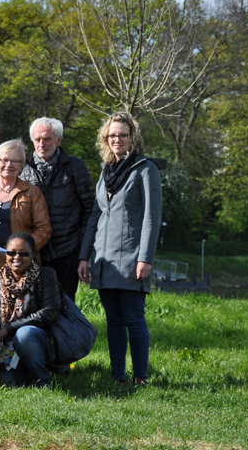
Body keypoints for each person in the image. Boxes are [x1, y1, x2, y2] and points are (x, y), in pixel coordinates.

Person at [78, 112, 162, 387]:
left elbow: (152, 216)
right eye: (112, 135)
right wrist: (84, 256)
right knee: (113, 320)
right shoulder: (105, 171)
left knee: (134, 318)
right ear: (106, 138)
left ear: (132, 138)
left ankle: (140, 377)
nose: (117, 139)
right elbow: (95, 215)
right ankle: (118, 376)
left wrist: (145, 258)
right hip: (104, 260)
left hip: (132, 259)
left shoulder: (146, 169)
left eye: (122, 135)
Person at [20, 118, 95, 299]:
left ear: (58, 140)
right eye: (37, 139)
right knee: (35, 304)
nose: (41, 144)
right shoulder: (24, 169)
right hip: (35, 251)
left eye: (47, 139)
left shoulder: (75, 167)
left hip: (68, 251)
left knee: (64, 305)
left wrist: (82, 251)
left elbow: (90, 210)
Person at [0, 232, 62, 388]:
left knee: (25, 334)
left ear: (32, 255)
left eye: (23, 253)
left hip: (41, 343)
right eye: (11, 253)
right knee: (8, 384)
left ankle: (43, 382)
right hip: (9, 350)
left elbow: (50, 312)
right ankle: (24, 373)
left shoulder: (46, 276)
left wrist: (8, 329)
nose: (16, 257)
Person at [0, 139, 51, 272]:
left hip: (20, 263)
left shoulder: (32, 192)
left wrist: (23, 250)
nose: (9, 165)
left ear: (21, 166)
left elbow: (44, 229)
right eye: (4, 160)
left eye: (15, 161)